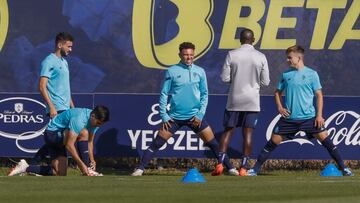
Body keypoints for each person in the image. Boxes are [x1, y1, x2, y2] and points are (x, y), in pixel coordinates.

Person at [131, 42, 238, 176]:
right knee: (156, 143)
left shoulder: (200, 71)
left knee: (213, 144)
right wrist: (164, 115)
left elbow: (205, 94)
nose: (189, 57)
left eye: (191, 55)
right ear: (180, 55)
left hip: (195, 117)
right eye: (186, 55)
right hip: (174, 118)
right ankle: (140, 169)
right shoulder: (172, 71)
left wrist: (200, 114)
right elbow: (164, 93)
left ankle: (231, 169)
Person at [246, 45, 353, 176]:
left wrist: (319, 116)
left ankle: (344, 169)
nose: (287, 60)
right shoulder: (286, 75)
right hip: (289, 120)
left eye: (290, 57)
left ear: (299, 57)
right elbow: (277, 92)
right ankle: (254, 170)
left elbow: (319, 95)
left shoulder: (312, 74)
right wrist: (280, 108)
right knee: (271, 143)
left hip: (309, 119)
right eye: (287, 57)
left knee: (328, 143)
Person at [36, 32, 95, 174]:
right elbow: (42, 86)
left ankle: (28, 165)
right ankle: (87, 168)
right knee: (82, 133)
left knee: (60, 171)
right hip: (57, 110)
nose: (71, 49)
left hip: (67, 109)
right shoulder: (49, 61)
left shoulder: (64, 62)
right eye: (69, 46)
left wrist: (73, 109)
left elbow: (65, 89)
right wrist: (51, 107)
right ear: (59, 44)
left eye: (71, 46)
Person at [213, 28, 270, 176]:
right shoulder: (261, 56)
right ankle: (244, 167)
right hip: (252, 100)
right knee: (248, 133)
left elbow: (225, 78)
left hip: (234, 99)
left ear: (240, 39)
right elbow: (266, 81)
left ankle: (220, 164)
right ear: (254, 39)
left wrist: (237, 80)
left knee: (228, 131)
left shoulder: (232, 54)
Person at [8, 105, 110, 176]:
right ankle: (87, 169)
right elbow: (69, 145)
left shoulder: (94, 122)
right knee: (84, 132)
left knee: (60, 173)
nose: (99, 125)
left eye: (101, 124)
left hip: (61, 138)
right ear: (93, 116)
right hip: (52, 134)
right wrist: (82, 165)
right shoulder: (79, 119)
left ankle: (25, 167)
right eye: (98, 123)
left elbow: (89, 142)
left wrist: (92, 160)